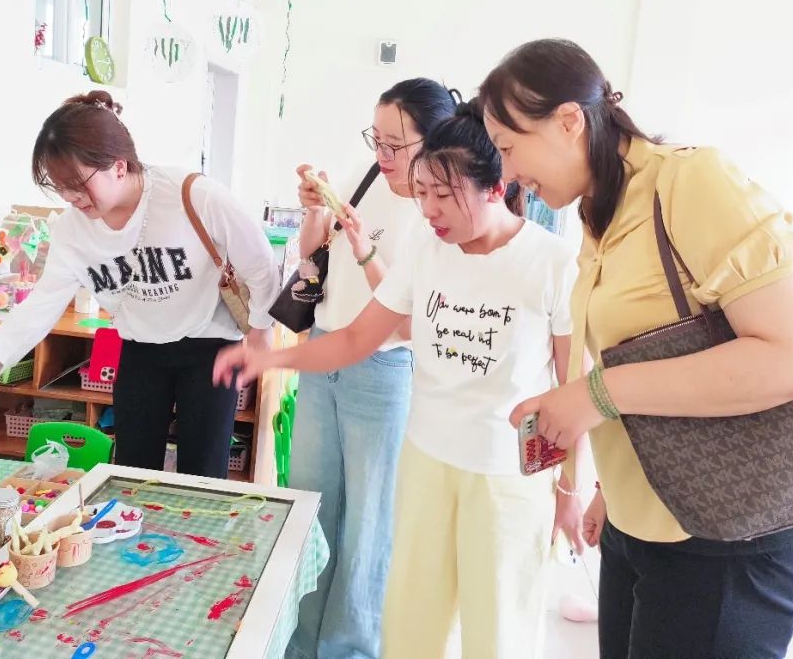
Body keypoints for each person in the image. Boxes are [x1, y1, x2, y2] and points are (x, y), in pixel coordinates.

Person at [486, 38, 793, 658]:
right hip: (643, 520)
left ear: (569, 121)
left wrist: (594, 395)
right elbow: (652, 353)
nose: (507, 173)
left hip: (723, 537)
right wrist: (611, 489)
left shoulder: (690, 181)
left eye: (509, 148)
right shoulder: (601, 211)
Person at [217, 109, 584, 658]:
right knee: (412, 628)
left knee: (498, 634)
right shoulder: (427, 252)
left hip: (506, 478)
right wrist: (271, 360)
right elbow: (355, 339)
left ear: (495, 188)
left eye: (444, 195)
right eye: (423, 193)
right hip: (426, 462)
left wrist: (573, 491)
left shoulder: (553, 263)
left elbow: (574, 389)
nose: (429, 210)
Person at [0, 90, 280, 478]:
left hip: (210, 345)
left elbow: (260, 262)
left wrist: (261, 328)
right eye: (58, 186)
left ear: (118, 166)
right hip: (140, 350)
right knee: (131, 471)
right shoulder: (72, 231)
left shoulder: (193, 196)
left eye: (77, 183)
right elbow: (43, 303)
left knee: (204, 473)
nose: (69, 197)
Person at [287, 78, 454, 659]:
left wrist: (364, 249)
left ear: (433, 140)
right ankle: (297, 641)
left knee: (367, 526)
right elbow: (314, 256)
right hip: (325, 353)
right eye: (375, 139)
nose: (382, 154)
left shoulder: (438, 211)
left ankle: (350, 648)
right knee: (308, 510)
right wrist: (315, 211)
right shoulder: (367, 177)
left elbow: (410, 324)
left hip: (382, 370)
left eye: (395, 144)